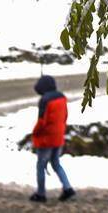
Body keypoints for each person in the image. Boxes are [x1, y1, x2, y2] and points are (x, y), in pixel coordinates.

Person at [29, 75, 76, 203]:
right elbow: (65, 116)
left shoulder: (44, 100)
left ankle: (41, 194)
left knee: (41, 166)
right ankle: (68, 189)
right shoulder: (62, 97)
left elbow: (42, 122)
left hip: (46, 139)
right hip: (58, 137)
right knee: (56, 164)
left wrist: (34, 133)